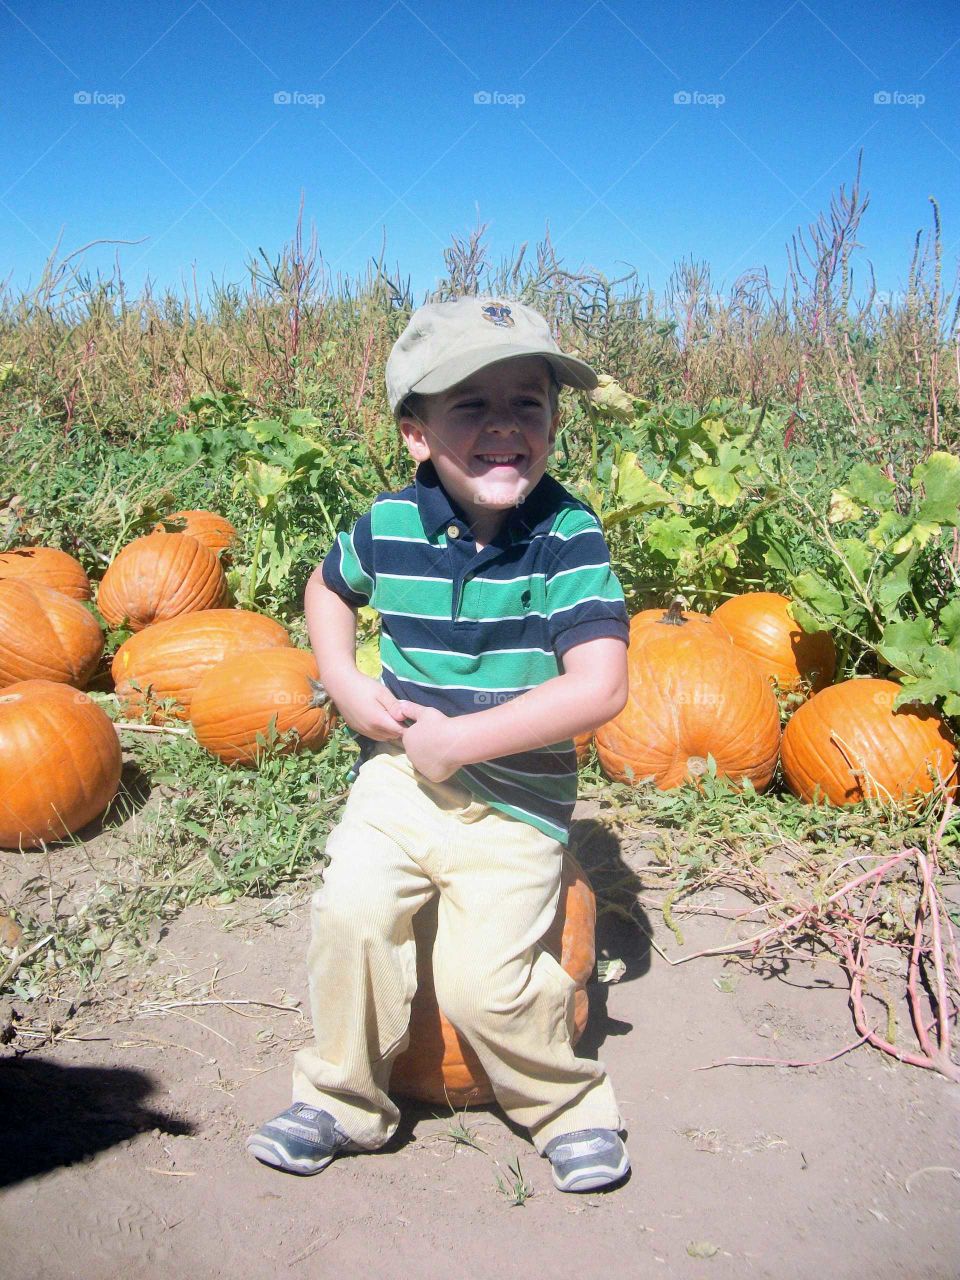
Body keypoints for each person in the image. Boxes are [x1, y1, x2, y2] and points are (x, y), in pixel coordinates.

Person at [246, 297, 631, 1193]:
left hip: (513, 802)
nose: (505, 425)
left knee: (482, 985)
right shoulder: (387, 524)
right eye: (471, 405)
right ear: (417, 433)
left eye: (527, 403)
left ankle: (565, 1104)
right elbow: (326, 589)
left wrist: (463, 741)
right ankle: (343, 1098)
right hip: (400, 783)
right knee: (350, 913)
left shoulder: (567, 539)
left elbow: (601, 686)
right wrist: (345, 684)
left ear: (554, 422)